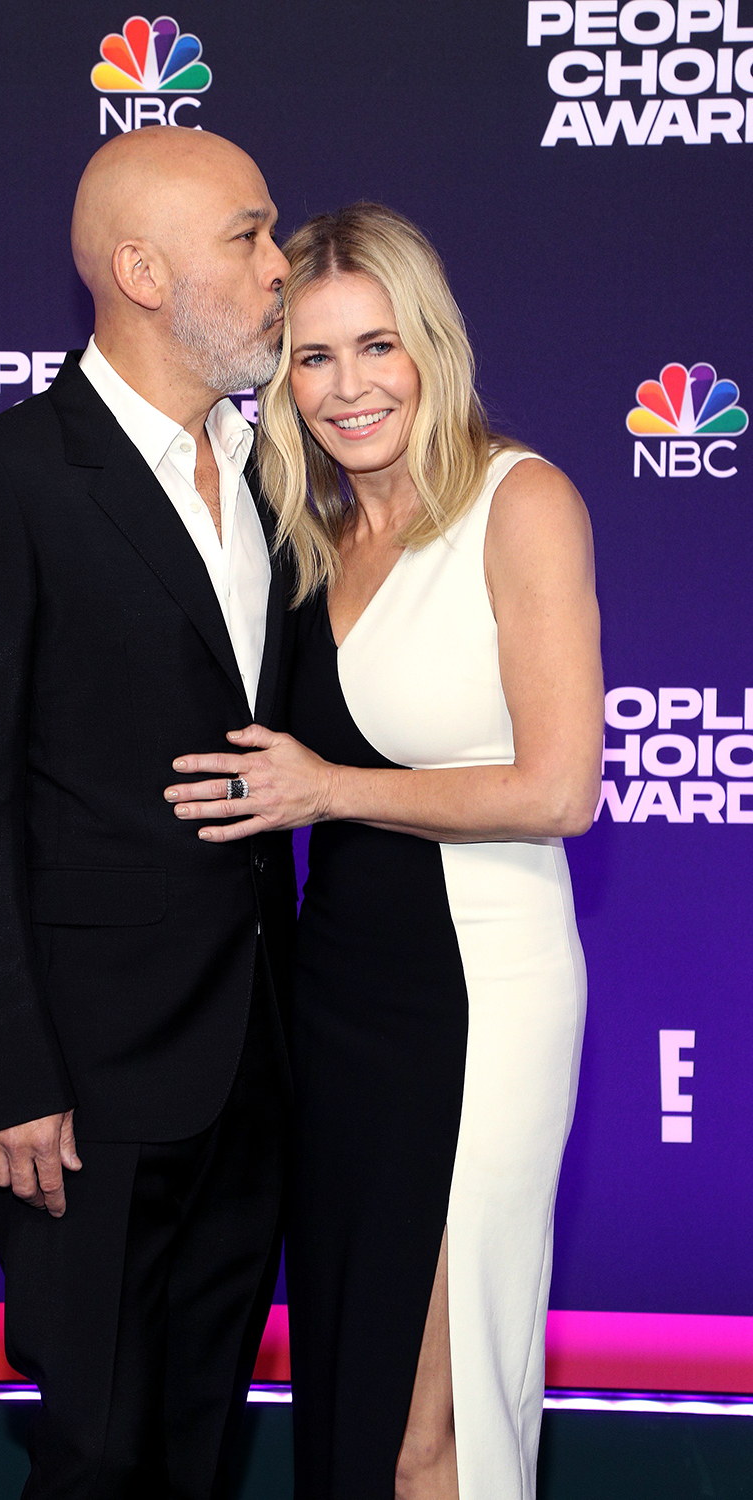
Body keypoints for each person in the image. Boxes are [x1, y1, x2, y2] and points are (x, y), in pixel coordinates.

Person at [164, 203, 604, 1500]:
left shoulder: (521, 502)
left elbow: (562, 787)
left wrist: (327, 789)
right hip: (339, 1001)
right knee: (355, 1384)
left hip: (478, 994)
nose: (350, 387)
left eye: (378, 347)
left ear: (431, 348)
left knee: (437, 1397)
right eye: (311, 355)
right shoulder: (302, 531)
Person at [0, 127, 296, 1499]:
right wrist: (8, 1072)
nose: (279, 266)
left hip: (257, 1061)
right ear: (140, 269)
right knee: (100, 1451)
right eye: (246, 236)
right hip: (88, 1084)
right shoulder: (1, 478)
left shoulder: (270, 478)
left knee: (197, 1444)